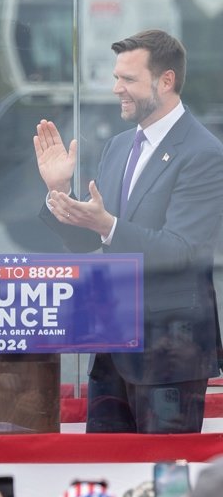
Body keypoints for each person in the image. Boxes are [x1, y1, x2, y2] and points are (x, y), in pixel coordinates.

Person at [34, 28, 223, 433]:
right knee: (102, 470)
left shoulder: (205, 154)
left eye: (129, 79)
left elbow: (182, 250)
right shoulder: (119, 146)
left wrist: (108, 224)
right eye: (117, 77)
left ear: (166, 81)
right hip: (111, 347)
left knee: (162, 480)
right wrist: (59, 193)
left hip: (171, 355)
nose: (117, 87)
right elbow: (94, 242)